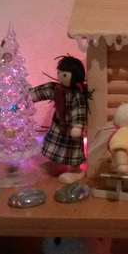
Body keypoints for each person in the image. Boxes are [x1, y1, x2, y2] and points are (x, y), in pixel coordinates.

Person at [30, 55, 92, 184]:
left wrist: (78, 126)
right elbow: (41, 92)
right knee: (55, 146)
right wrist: (27, 97)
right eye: (59, 73)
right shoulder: (56, 89)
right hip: (58, 125)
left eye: (64, 75)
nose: (59, 76)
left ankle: (76, 170)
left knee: (71, 150)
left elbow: (79, 111)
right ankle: (57, 163)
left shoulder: (77, 95)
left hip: (70, 129)